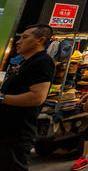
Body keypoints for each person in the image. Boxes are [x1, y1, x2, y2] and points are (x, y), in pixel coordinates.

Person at [0, 24, 55, 171]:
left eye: (25, 37)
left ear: (40, 40)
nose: (19, 41)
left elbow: (37, 97)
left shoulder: (42, 62)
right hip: (6, 132)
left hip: (16, 135)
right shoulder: (25, 61)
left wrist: (2, 98)